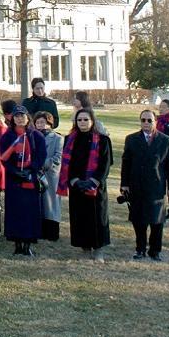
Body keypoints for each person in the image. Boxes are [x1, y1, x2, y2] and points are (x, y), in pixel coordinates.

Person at [119, 107, 169, 261]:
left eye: (149, 120)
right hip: (136, 186)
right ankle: (140, 249)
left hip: (156, 187)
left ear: (155, 121)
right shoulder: (131, 139)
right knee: (139, 221)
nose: (146, 123)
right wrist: (124, 184)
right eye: (143, 120)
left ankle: (155, 251)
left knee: (157, 222)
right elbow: (126, 163)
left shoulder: (166, 141)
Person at [58, 108, 110, 258]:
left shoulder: (102, 140)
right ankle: (85, 248)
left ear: (92, 121)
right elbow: (68, 163)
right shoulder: (69, 139)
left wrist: (94, 181)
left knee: (97, 218)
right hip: (77, 186)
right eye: (79, 120)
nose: (82, 122)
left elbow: (105, 163)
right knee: (80, 218)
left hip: (96, 187)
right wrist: (74, 180)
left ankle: (99, 249)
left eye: (85, 119)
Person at [0, 104, 46, 257]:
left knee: (29, 212)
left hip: (30, 178)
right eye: (17, 116)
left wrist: (30, 169)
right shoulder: (7, 136)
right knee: (15, 212)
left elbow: (41, 157)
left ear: (28, 118)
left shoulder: (36, 136)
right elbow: (4, 157)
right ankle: (17, 244)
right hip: (14, 180)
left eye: (22, 116)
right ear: (12, 118)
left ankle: (27, 245)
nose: (20, 119)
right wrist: (14, 171)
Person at [35, 110, 62, 242]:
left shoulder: (58, 138)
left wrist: (43, 164)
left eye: (43, 122)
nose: (40, 125)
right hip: (36, 174)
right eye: (38, 122)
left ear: (50, 123)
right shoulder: (32, 136)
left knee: (51, 204)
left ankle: (52, 232)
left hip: (51, 174)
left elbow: (58, 157)